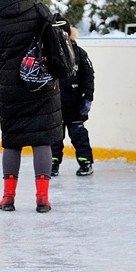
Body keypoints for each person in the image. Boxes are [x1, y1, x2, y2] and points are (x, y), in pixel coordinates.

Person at [0, 0, 62, 213]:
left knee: (12, 142)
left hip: (11, 89)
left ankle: (8, 198)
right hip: (41, 84)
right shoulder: (39, 12)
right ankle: (43, 198)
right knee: (42, 140)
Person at [51, 24, 95, 177]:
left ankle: (85, 162)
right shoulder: (49, 52)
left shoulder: (79, 53)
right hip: (55, 105)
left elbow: (88, 75)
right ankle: (53, 162)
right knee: (54, 137)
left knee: (78, 134)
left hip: (76, 104)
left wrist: (87, 97)